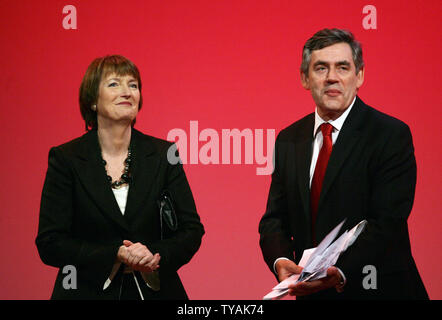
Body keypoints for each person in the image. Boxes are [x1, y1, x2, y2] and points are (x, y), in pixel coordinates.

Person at [258, 28, 428, 299]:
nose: (332, 78)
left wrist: (339, 270)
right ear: (305, 78)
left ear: (359, 76)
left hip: (378, 289)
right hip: (312, 294)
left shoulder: (390, 134)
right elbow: (274, 219)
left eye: (343, 67)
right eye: (321, 68)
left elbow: (388, 221)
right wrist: (280, 261)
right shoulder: (288, 139)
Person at [36, 55, 204, 300]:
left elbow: (191, 231)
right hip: (85, 292)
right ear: (92, 101)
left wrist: (154, 254)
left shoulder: (164, 154)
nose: (126, 92)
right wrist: (114, 254)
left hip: (155, 291)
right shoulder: (66, 158)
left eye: (133, 85)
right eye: (114, 84)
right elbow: (50, 242)